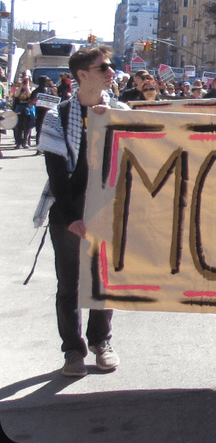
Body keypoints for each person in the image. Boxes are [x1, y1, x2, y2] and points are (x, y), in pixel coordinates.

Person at [36, 45, 127, 377]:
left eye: (110, 65)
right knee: (70, 285)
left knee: (103, 281)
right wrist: (73, 217)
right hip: (68, 215)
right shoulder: (57, 117)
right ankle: (73, 351)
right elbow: (56, 173)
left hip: (107, 212)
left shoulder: (122, 112)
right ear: (82, 75)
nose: (110, 70)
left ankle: (102, 342)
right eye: (102, 66)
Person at [32, 77, 57, 147]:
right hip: (41, 113)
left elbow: (56, 101)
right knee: (40, 131)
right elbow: (31, 102)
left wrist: (55, 94)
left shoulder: (49, 90)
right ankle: (40, 147)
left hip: (48, 113)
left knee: (44, 131)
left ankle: (44, 147)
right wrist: (36, 100)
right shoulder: (36, 91)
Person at [12, 77, 35, 149]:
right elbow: (16, 95)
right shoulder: (18, 89)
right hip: (19, 109)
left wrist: (27, 86)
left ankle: (25, 142)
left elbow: (29, 95)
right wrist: (21, 86)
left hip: (27, 110)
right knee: (18, 127)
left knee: (26, 127)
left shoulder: (31, 88)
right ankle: (18, 143)